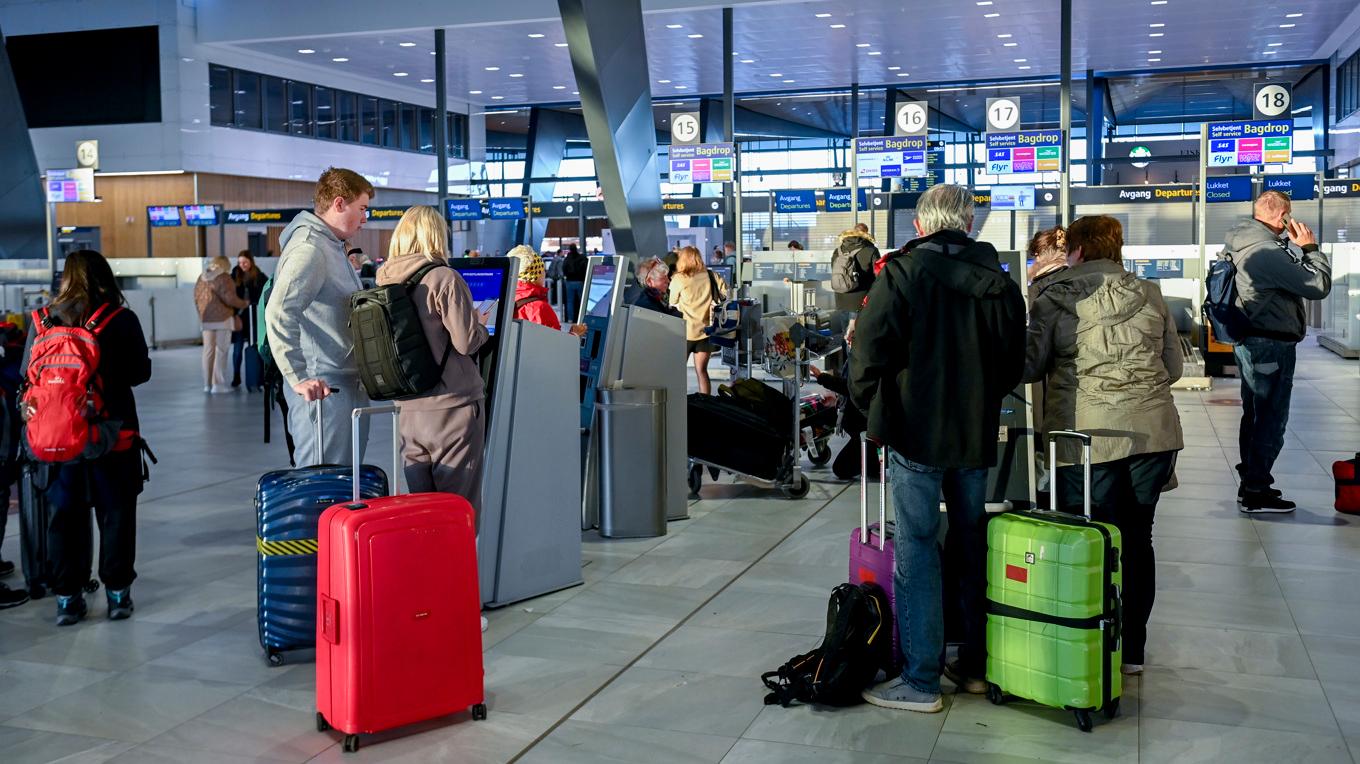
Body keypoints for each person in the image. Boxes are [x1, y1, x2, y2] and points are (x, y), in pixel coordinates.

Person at [849, 184, 1025, 713]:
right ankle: (972, 667)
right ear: (969, 224)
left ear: (921, 226)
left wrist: (870, 407)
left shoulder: (900, 275)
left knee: (917, 550)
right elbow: (1012, 367)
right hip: (973, 436)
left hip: (914, 430)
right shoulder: (1000, 282)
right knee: (972, 545)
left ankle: (922, 680)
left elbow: (868, 354)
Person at [1023, 215, 1184, 676]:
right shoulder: (1150, 293)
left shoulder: (1052, 296)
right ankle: (1131, 649)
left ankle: (1088, 641)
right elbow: (1172, 368)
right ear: (1116, 247)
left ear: (1073, 250)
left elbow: (1030, 366)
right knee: (1138, 538)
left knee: (1089, 538)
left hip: (1085, 437)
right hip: (1153, 435)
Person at [21, 250, 151, 625]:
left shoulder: (43, 321)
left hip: (57, 438)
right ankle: (118, 596)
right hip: (113, 436)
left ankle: (67, 599)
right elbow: (139, 373)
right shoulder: (120, 318)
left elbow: (27, 379)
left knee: (64, 518)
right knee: (116, 516)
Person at [375, 206, 490, 510]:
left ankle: (428, 559)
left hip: (409, 413)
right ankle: (457, 560)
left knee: (424, 511)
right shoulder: (444, 278)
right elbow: (466, 343)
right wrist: (481, 326)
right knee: (457, 509)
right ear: (436, 235)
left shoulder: (384, 280)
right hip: (452, 409)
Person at [1224, 191, 1330, 512]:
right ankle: (1256, 487)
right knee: (1271, 416)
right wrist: (1310, 248)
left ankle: (1253, 482)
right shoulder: (1266, 250)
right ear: (1283, 217)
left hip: (1251, 340)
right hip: (1269, 343)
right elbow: (1317, 286)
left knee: (1255, 413)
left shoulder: (1240, 242)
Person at [265, 167, 373, 466]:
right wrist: (298, 376)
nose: (366, 217)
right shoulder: (309, 249)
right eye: (362, 208)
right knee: (322, 486)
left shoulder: (331, 246)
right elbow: (279, 310)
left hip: (341, 385)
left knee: (341, 490)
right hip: (324, 389)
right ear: (339, 204)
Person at [669, 245, 727, 396]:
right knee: (702, 371)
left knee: (677, 372)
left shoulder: (679, 278)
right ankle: (706, 404)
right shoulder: (711, 275)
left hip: (685, 332)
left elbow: (672, 300)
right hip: (706, 331)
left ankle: (679, 403)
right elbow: (725, 295)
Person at [194, 255, 248, 394]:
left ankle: (207, 384)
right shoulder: (224, 277)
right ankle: (218, 385)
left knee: (208, 351)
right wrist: (244, 303)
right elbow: (230, 298)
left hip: (206, 319)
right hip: (223, 319)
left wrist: (202, 315)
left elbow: (196, 298)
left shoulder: (201, 277)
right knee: (221, 351)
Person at [830, 226, 880, 341]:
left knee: (845, 336)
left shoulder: (838, 251)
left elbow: (835, 270)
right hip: (862, 300)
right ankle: (856, 358)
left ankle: (847, 358)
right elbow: (879, 274)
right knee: (860, 337)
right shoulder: (870, 250)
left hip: (841, 299)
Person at [230, 250, 268, 390]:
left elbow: (264, 293)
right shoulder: (234, 275)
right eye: (240, 262)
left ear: (251, 261)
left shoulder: (259, 275)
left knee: (256, 348)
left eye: (245, 262)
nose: (242, 265)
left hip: (254, 318)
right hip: (240, 318)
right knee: (238, 349)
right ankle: (236, 375)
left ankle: (257, 377)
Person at [508, 244, 561, 330]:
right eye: (542, 270)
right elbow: (556, 342)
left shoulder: (499, 300)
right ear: (536, 275)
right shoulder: (540, 308)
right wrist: (575, 334)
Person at [561, 243, 588, 320]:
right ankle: (583, 318)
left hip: (569, 282)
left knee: (570, 302)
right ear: (576, 248)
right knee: (582, 301)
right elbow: (585, 269)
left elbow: (564, 268)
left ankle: (570, 319)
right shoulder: (582, 258)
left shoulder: (567, 259)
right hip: (579, 281)